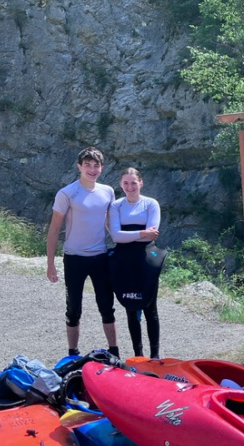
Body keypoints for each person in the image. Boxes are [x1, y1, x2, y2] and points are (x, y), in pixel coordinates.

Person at [46, 147, 119, 358]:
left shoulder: (107, 191)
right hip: (74, 258)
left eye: (96, 166)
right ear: (79, 166)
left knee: (107, 306)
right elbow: (53, 229)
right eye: (87, 165)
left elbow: (109, 224)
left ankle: (114, 351)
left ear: (102, 168)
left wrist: (127, 243)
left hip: (100, 257)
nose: (92, 169)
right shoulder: (67, 193)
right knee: (73, 308)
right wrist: (51, 264)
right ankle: (72, 353)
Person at [108, 167, 163, 359]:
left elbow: (152, 235)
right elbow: (115, 236)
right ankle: (138, 355)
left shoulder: (151, 204)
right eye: (125, 183)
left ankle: (155, 356)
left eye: (133, 182)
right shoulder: (116, 206)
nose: (130, 187)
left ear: (141, 183)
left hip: (146, 258)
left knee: (150, 308)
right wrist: (141, 233)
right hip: (124, 260)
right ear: (121, 184)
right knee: (130, 307)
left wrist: (129, 235)